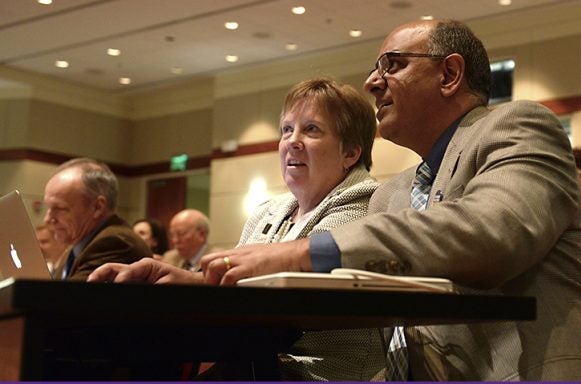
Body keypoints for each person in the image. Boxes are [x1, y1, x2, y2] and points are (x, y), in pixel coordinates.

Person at [91, 20, 581, 381]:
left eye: (391, 63)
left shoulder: (519, 125)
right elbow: (342, 297)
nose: (373, 81)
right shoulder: (395, 192)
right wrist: (203, 282)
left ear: (450, 74)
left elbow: (493, 232)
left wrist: (306, 250)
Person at [92, 78, 384, 380]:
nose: (292, 141)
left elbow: (286, 290)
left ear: (350, 153)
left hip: (319, 373)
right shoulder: (267, 211)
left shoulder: (364, 202)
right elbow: (231, 285)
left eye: (311, 129)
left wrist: (198, 282)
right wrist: (177, 277)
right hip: (254, 363)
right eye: (287, 129)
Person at [44, 157, 152, 280]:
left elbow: (65, 298)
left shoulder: (115, 243)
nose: (48, 219)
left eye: (60, 208)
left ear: (97, 207)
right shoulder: (76, 246)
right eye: (48, 207)